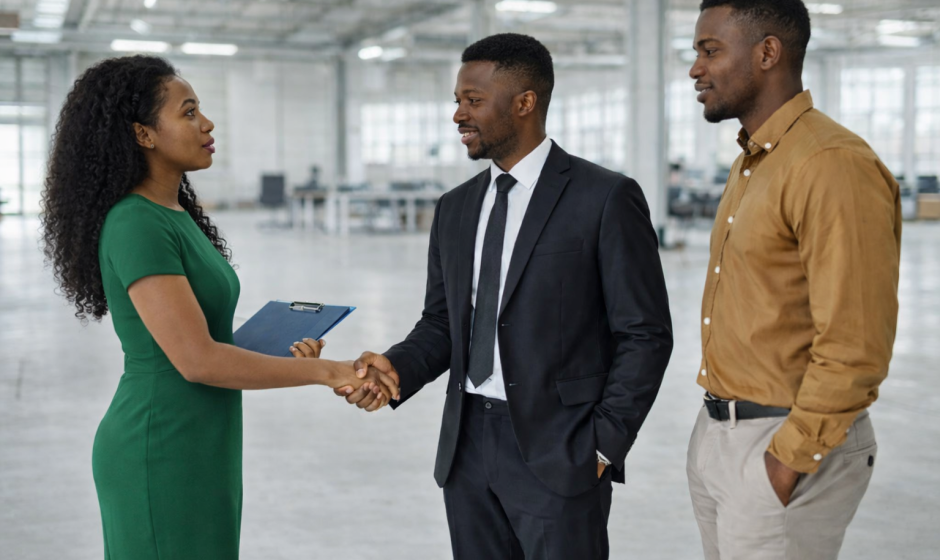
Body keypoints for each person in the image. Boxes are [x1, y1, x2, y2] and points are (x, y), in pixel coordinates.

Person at [39, 55, 398, 560]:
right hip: (160, 445)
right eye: (188, 113)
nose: (206, 124)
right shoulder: (136, 223)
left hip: (204, 441)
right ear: (143, 134)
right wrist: (329, 370)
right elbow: (197, 360)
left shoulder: (175, 214)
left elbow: (207, 341)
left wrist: (276, 353)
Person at [335, 33, 673, 559]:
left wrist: (604, 443)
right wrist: (398, 368)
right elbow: (444, 323)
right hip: (467, 447)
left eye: (473, 100)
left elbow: (645, 333)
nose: (458, 115)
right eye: (457, 101)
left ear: (524, 103)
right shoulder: (454, 208)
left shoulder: (604, 197)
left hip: (561, 448)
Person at [686, 1, 901, 559]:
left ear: (767, 53)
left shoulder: (830, 163)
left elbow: (856, 343)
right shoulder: (754, 161)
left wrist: (785, 461)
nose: (695, 69)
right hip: (723, 431)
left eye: (710, 51)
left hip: (783, 443)